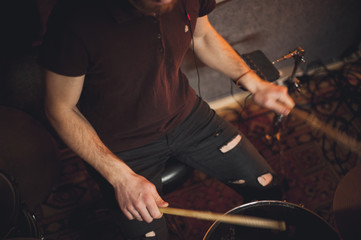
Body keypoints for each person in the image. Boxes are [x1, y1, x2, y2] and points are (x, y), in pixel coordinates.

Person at [38, 0, 295, 239]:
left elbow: (202, 36)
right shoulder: (75, 18)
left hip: (187, 116)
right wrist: (120, 178)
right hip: (120, 147)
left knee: (267, 191)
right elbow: (61, 109)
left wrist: (254, 83)